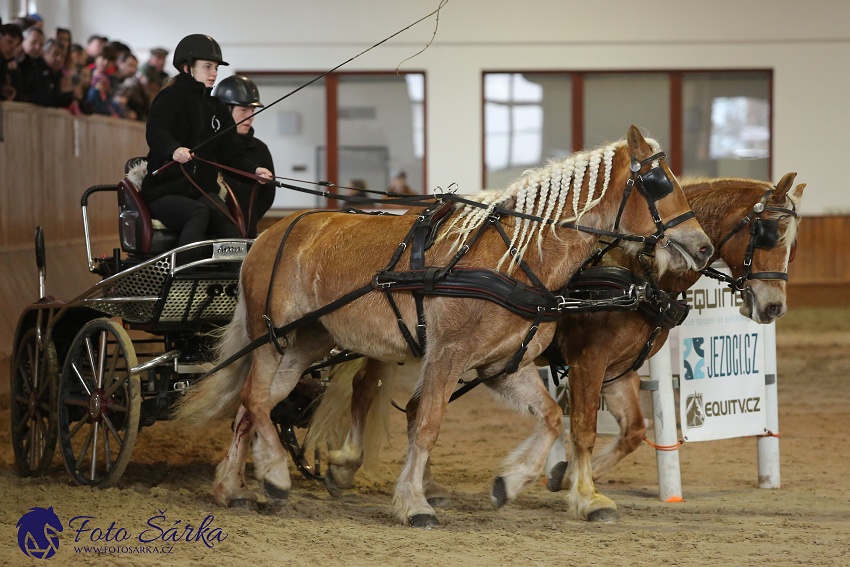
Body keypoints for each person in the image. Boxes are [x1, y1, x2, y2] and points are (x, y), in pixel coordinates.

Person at [141, 34, 272, 258]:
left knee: (228, 223)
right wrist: (174, 149)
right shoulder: (169, 98)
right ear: (187, 68)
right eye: (208, 67)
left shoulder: (217, 108)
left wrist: (254, 171)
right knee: (198, 212)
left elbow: (231, 154)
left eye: (216, 68)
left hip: (201, 192)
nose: (214, 73)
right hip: (164, 193)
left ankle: (237, 281)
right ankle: (179, 277)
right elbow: (156, 132)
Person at [212, 74, 276, 237]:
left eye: (252, 110)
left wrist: (249, 219)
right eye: (243, 110)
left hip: (245, 232)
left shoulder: (260, 149)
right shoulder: (209, 146)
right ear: (225, 110)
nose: (250, 116)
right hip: (211, 232)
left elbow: (267, 194)